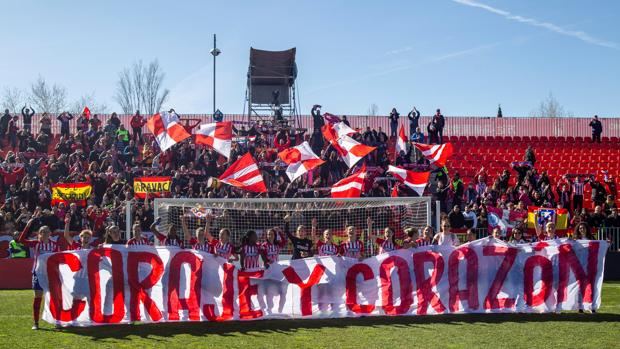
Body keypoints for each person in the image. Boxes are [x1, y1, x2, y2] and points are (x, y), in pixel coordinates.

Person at [17, 209, 60, 330]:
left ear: (50, 233)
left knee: (53, 298)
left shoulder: (55, 246)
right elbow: (21, 240)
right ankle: (36, 323)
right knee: (38, 297)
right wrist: (28, 225)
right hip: (38, 274)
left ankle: (57, 320)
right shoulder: (36, 243)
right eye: (42, 232)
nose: (44, 233)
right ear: (39, 234)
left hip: (51, 275)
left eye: (46, 231)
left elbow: (59, 260)